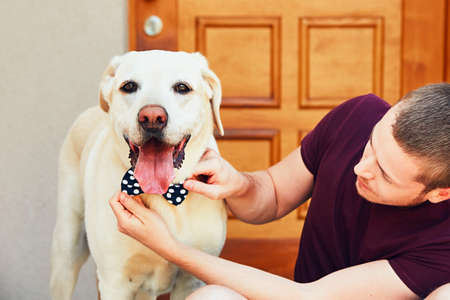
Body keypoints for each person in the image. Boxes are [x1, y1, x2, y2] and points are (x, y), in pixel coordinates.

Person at [110, 83, 450, 299]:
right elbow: (272, 193)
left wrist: (169, 247)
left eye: (385, 174)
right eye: (372, 145)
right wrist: (238, 184)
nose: (361, 169)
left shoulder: (443, 244)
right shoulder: (359, 115)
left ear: (440, 193)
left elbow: (308, 298)